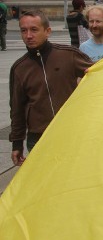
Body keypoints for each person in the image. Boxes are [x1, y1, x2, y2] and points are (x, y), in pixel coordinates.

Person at [10, 10, 93, 165]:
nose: (28, 35)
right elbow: (17, 109)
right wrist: (17, 143)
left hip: (71, 133)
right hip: (38, 137)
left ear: (47, 31)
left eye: (34, 30)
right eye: (24, 30)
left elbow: (99, 73)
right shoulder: (19, 68)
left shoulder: (68, 55)